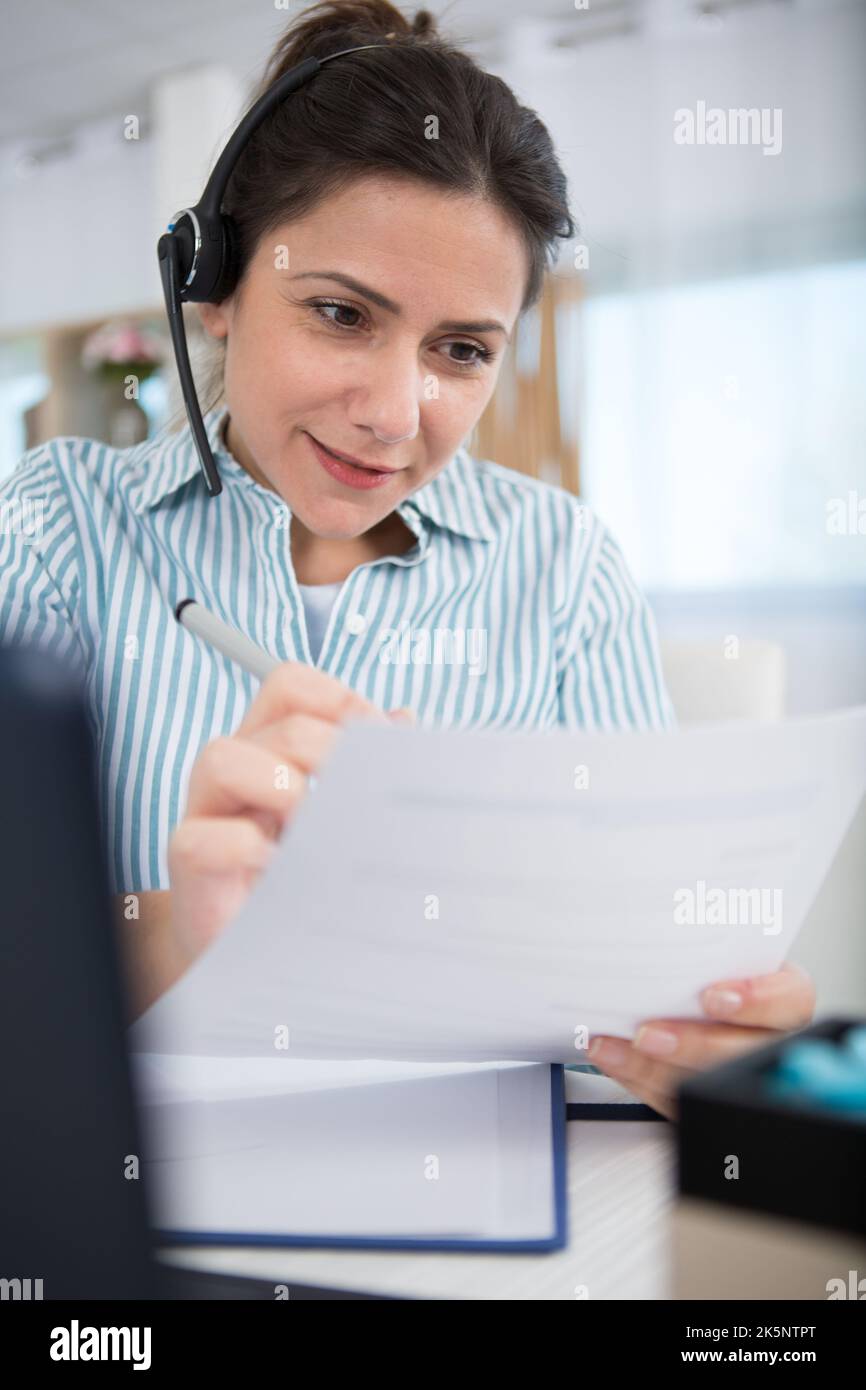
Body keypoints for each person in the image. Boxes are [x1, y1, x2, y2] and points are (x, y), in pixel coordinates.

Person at [0, 0, 814, 1118]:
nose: (394, 414)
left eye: (462, 350)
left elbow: (623, 977)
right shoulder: (59, 526)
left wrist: (697, 1052)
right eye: (340, 313)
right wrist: (177, 930)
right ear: (217, 286)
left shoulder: (559, 565)